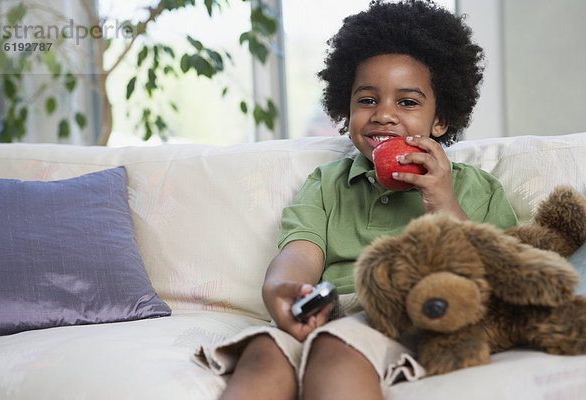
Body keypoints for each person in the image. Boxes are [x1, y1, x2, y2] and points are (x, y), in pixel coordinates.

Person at [217, 1, 518, 399]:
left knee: (336, 348)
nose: (383, 115)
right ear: (347, 106)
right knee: (265, 349)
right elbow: (301, 253)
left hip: (406, 318)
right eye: (367, 100)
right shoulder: (327, 183)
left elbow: (502, 279)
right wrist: (283, 286)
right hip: (326, 312)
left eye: (407, 102)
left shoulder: (475, 188)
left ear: (440, 120)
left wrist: (442, 200)